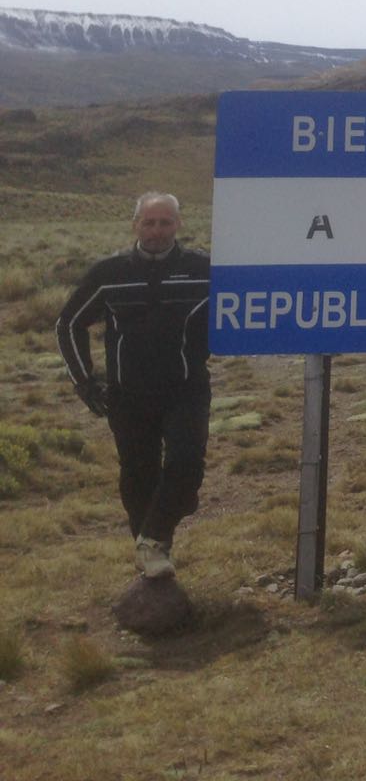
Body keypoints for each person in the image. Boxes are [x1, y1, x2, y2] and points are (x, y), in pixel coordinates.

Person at [56, 192, 212, 580]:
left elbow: (246, 303)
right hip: (128, 395)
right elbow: (69, 323)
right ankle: (152, 556)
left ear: (178, 224)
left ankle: (155, 537)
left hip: (186, 389)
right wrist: (84, 382)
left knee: (187, 465)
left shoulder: (204, 270)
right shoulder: (109, 273)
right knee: (138, 476)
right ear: (135, 225)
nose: (157, 231)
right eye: (149, 222)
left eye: (165, 222)